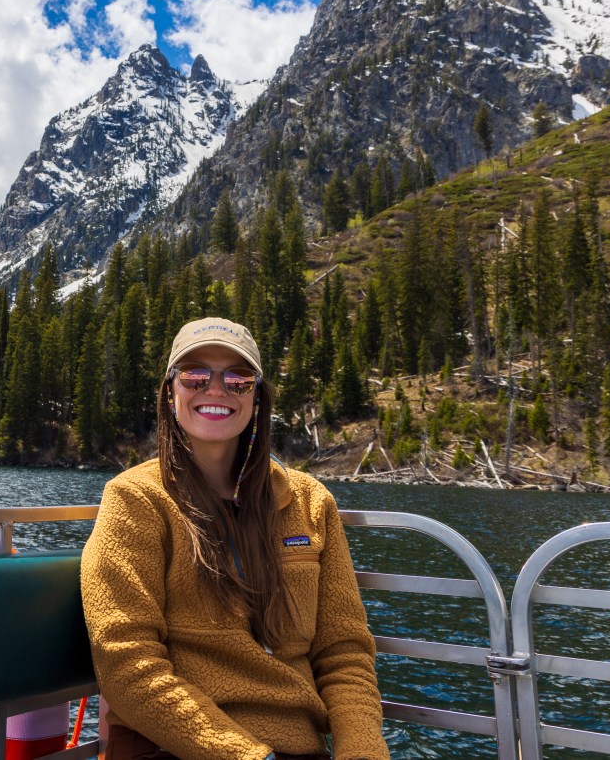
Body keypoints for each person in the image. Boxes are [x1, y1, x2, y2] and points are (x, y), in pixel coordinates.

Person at [80, 317, 389, 760]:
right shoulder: (135, 500)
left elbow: (345, 653)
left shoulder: (311, 502)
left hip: (301, 749)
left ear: (257, 399)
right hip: (175, 747)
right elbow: (126, 665)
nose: (216, 389)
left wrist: (362, 752)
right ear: (171, 394)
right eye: (195, 375)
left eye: (239, 378)